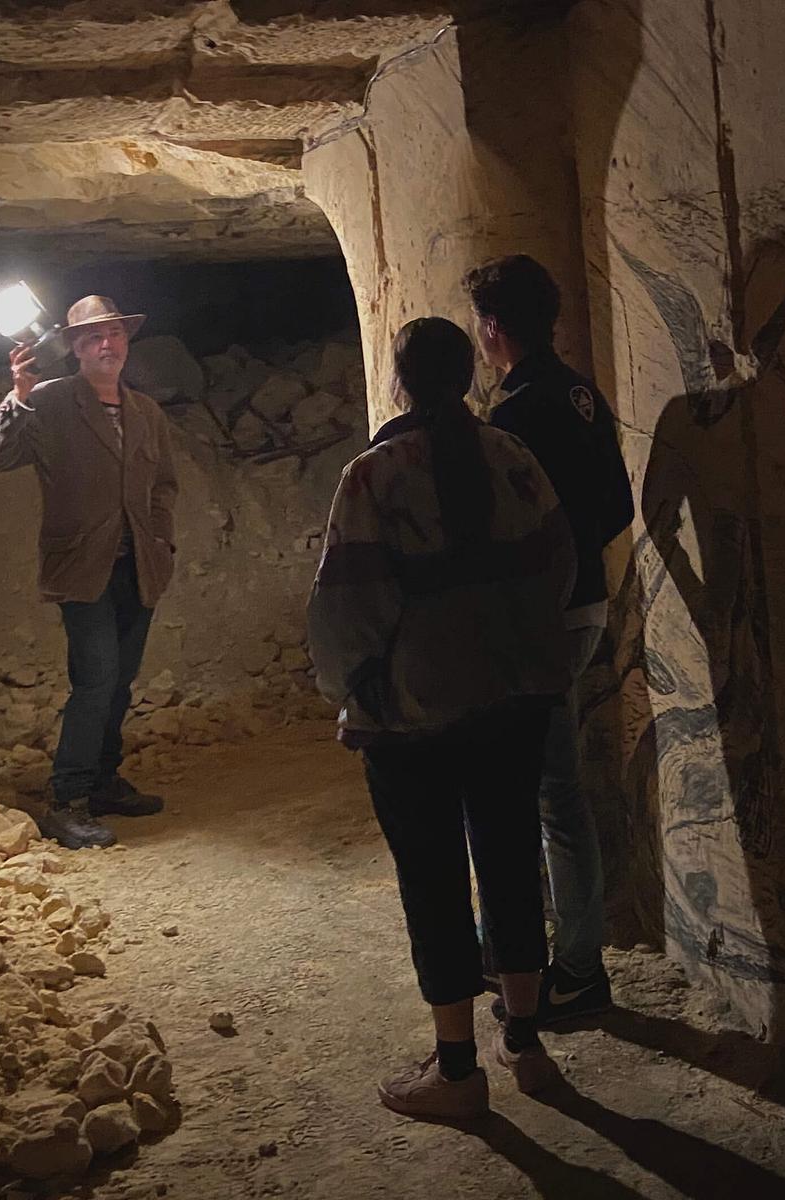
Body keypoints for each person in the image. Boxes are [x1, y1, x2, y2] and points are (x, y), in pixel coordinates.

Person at [307, 317, 577, 1120]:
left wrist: (357, 688)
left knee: (432, 879)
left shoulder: (373, 476)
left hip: (414, 712)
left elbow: (346, 603)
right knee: (511, 859)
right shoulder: (512, 458)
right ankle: (525, 1042)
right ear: (467, 376)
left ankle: (457, 1068)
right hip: (513, 699)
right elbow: (559, 564)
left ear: (400, 384)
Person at [463, 254, 634, 1025]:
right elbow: (618, 505)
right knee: (549, 791)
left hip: (537, 621)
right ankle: (528, 953)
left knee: (548, 797)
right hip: (586, 607)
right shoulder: (581, 395)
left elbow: (497, 532)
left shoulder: (513, 416)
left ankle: (573, 970)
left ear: (494, 328)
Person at [0, 296, 177, 850]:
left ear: (127, 341)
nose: (106, 345)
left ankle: (104, 781)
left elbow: (163, 486)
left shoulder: (145, 412)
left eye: (114, 334)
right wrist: (18, 394)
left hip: (139, 566)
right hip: (81, 566)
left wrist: (161, 541)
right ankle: (67, 799)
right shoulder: (50, 401)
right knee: (96, 680)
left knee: (121, 679)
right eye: (92, 338)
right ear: (74, 348)